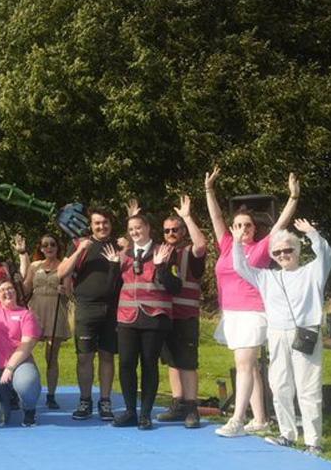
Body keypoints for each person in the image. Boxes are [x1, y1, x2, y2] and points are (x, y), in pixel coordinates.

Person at [206, 167, 298, 437]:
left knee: (245, 364)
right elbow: (215, 216)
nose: (243, 229)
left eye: (248, 225)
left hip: (253, 312)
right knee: (252, 368)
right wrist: (209, 190)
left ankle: (236, 420)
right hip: (231, 314)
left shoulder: (260, 249)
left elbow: (280, 224)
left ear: (254, 229)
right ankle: (259, 419)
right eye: (238, 225)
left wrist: (293, 198)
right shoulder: (225, 245)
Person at [233, 219, 331, 455]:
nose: (283, 255)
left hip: (305, 332)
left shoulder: (312, 271)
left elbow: (327, 255)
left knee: (307, 388)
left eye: (288, 250)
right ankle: (287, 434)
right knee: (279, 386)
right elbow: (240, 267)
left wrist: (312, 233)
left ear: (297, 251)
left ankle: (313, 441)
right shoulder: (266, 276)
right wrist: (238, 243)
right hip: (277, 333)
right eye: (277, 252)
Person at [102, 215, 181, 430]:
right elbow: (110, 290)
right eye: (131, 229)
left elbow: (175, 287)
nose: (135, 232)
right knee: (126, 364)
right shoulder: (123, 255)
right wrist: (112, 267)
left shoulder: (164, 252)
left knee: (149, 364)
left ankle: (145, 414)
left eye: (139, 227)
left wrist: (161, 267)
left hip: (154, 318)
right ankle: (130, 411)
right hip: (127, 318)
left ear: (148, 228)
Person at [57, 207, 121, 421]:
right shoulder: (79, 244)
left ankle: (105, 401)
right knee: (84, 357)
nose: (101, 226)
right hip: (86, 308)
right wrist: (79, 250)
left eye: (105, 222)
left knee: (107, 356)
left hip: (112, 309)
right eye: (97, 223)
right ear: (91, 225)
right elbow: (61, 272)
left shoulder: (120, 245)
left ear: (111, 223)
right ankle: (85, 400)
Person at [156, 196, 208, 428]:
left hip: (186, 315)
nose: (171, 233)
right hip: (165, 315)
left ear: (183, 231)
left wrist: (187, 217)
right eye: (167, 230)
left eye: (175, 229)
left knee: (187, 363)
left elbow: (202, 245)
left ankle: (191, 408)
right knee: (172, 362)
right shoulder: (161, 253)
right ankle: (177, 404)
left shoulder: (190, 251)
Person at [0, 274, 42, 426]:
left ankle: (29, 409)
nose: (7, 292)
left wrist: (10, 368)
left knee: (27, 383)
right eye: (2, 290)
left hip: (18, 363)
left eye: (10, 288)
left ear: (16, 291)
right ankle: (7, 395)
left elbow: (26, 345)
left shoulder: (26, 314)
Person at [19, 234, 72, 409]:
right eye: (45, 245)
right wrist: (19, 282)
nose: (49, 248)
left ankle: (51, 394)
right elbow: (26, 288)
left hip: (56, 309)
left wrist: (64, 290)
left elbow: (71, 293)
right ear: (40, 248)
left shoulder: (64, 265)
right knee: (24, 351)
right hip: (36, 310)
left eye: (52, 244)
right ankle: (21, 389)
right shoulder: (34, 266)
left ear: (58, 247)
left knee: (51, 355)